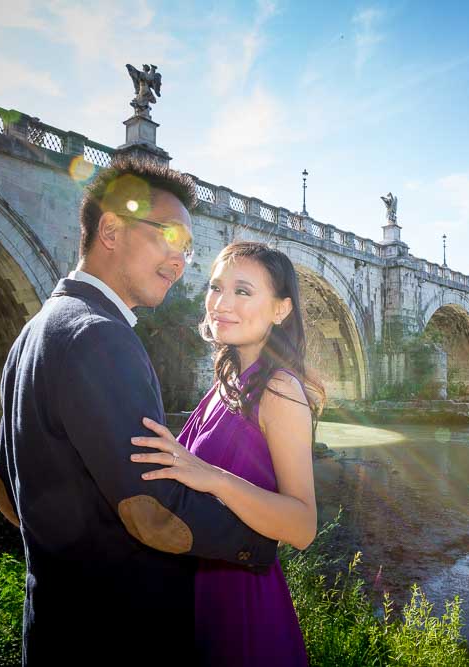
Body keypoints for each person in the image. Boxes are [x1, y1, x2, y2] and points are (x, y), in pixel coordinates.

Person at [0, 156, 278, 665]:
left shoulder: (34, 331)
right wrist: (261, 543)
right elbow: (154, 511)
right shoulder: (101, 336)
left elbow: (5, 491)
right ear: (110, 229)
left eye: (188, 248)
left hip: (53, 627)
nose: (180, 260)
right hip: (119, 636)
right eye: (168, 236)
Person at [130, 242, 324, 666]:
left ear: (280, 310)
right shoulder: (229, 381)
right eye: (216, 288)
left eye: (242, 291)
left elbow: (303, 526)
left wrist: (212, 477)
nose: (221, 303)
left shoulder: (279, 390)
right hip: (197, 593)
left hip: (242, 604)